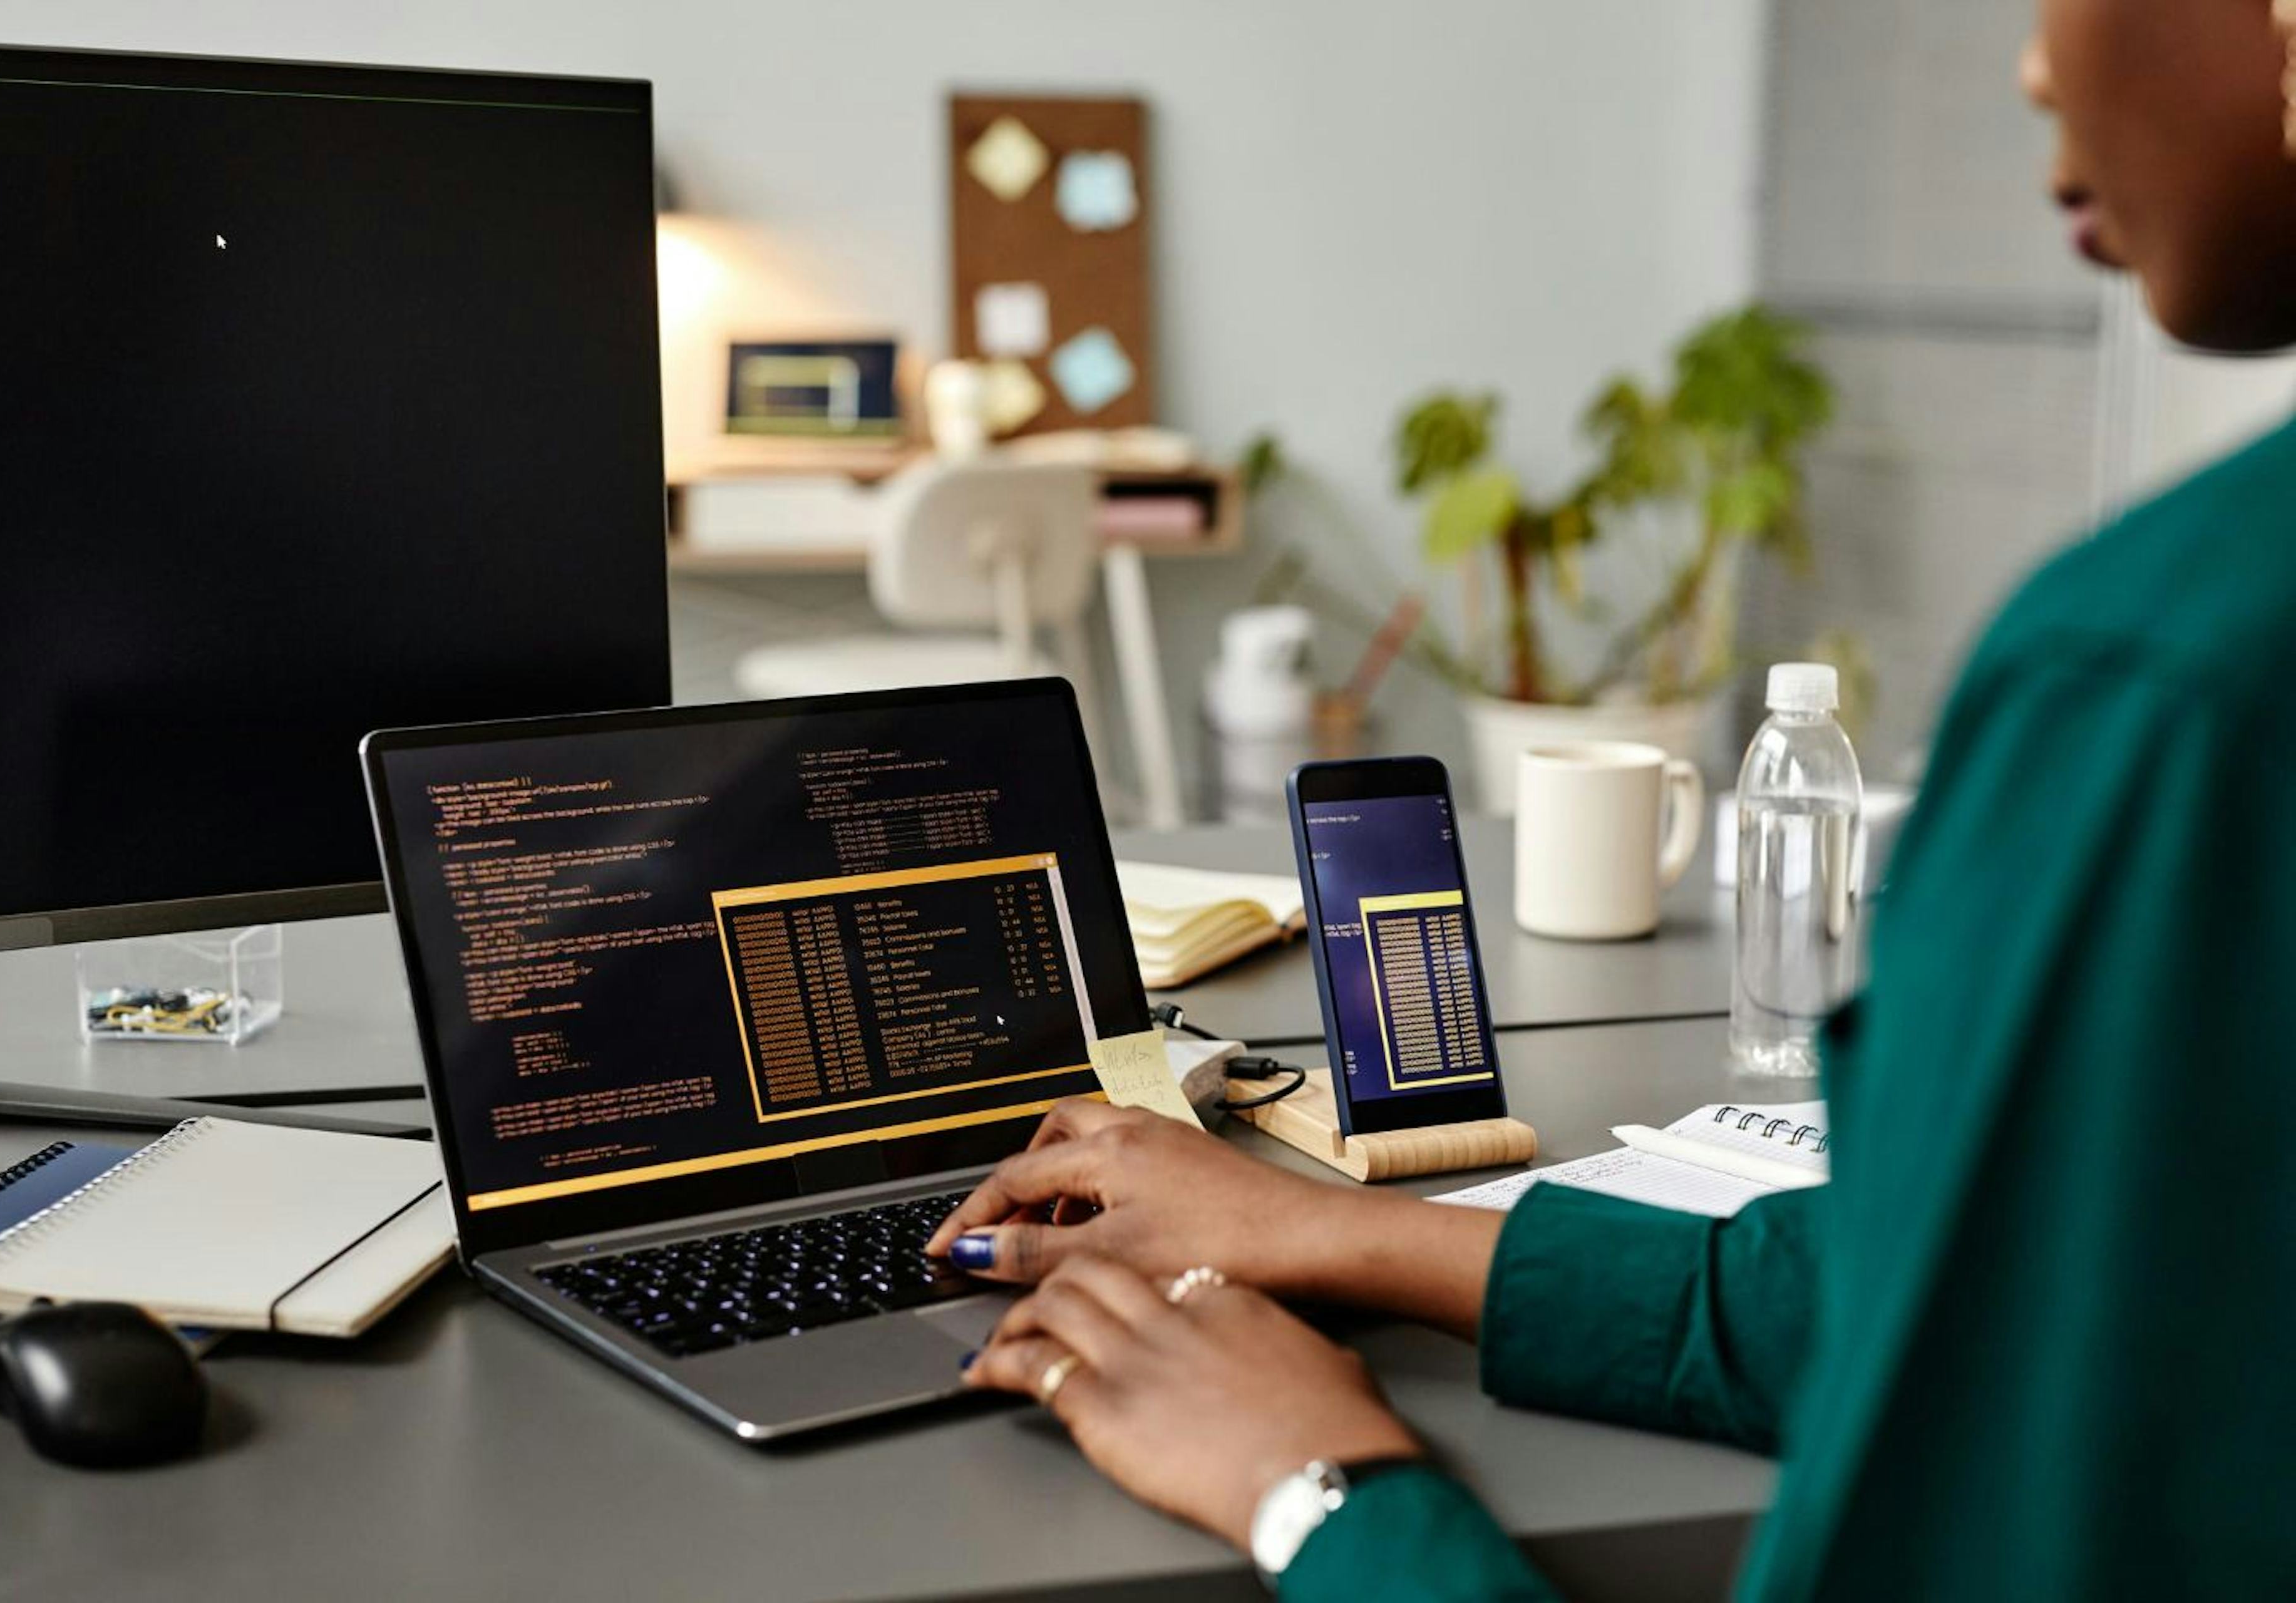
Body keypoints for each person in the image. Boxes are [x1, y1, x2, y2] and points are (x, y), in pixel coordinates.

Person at [925, 1, 2296, 1595]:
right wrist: (1333, 1232)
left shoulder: (2165, 690)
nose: (2035, 64)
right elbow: (1984, 1285)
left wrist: (1318, 1489)